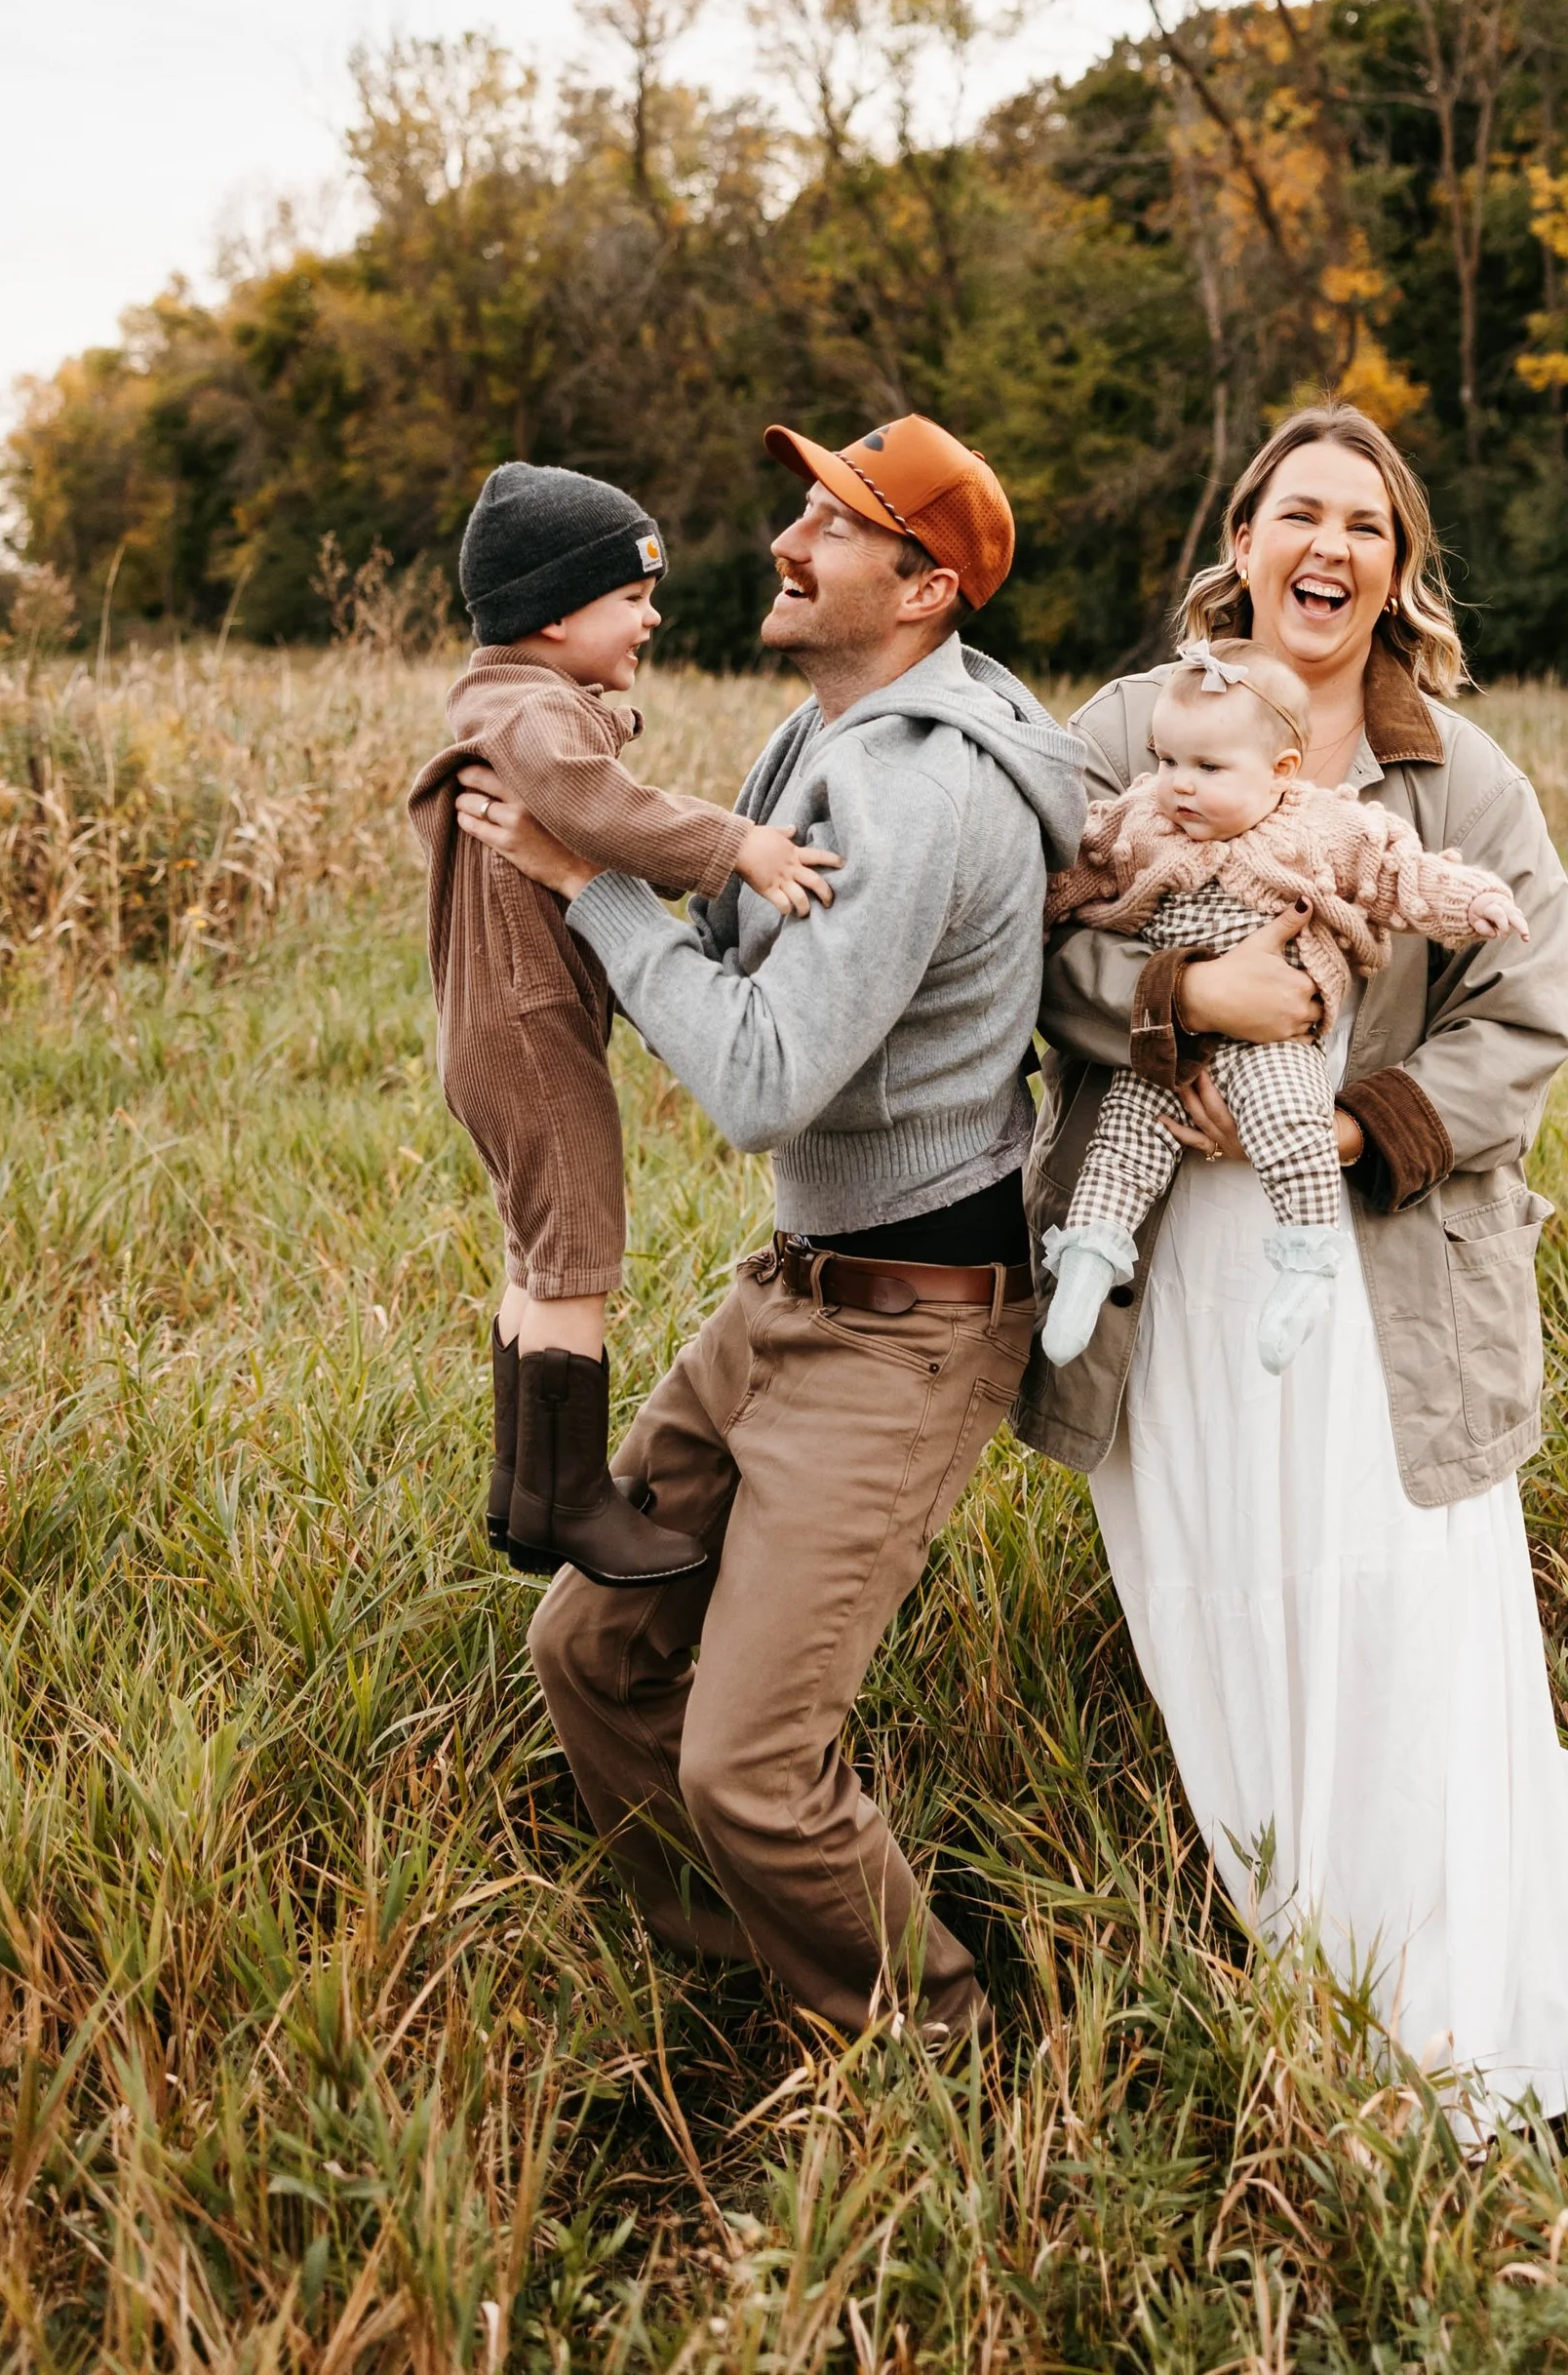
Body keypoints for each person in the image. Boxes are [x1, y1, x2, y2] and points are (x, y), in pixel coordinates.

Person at [1017, 403, 1568, 2127]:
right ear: (1239, 541)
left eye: (1363, 526)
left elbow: (1526, 1016)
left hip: (1366, 1269)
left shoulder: (1461, 774)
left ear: (1399, 566)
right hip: (1165, 1271)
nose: (1327, 548)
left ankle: (1443, 2002)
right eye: (1297, 513)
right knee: (1224, 1600)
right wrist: (1180, 1004)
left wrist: (1360, 1122)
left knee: (1397, 1610)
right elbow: (1016, 937)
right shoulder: (1127, 729)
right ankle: (1303, 1959)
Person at [454, 413, 1087, 2045]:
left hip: (911, 1318)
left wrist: (583, 879)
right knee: (593, 1654)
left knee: (749, 1762)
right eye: (802, 507)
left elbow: (761, 1077)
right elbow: (740, 956)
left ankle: (932, 2044)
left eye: (834, 524)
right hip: (793, 1291)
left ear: (927, 586)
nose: (787, 542)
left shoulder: (918, 790)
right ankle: (750, 1977)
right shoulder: (817, 737)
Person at [408, 460, 840, 1586]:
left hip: (497, 1030)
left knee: (538, 1252)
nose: (653, 617)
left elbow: (576, 766)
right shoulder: (536, 717)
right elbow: (599, 802)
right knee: (578, 1252)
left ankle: (524, 1488)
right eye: (632, 598)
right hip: (530, 1026)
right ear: (556, 613)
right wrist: (732, 846)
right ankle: (566, 1501)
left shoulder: (508, 703)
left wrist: (611, 711)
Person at [1039, 635, 1527, 1375]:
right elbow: (1078, 873)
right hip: (1167, 1039)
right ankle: (1088, 1257)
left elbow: (1399, 876)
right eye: (1166, 760)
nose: (1178, 786)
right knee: (1124, 1135)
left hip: (1277, 1043)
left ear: (1281, 770)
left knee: (1293, 1126)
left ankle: (1304, 1263)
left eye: (1207, 768)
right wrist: (1030, 903)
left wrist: (1473, 901)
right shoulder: (1142, 817)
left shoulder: (1321, 826)